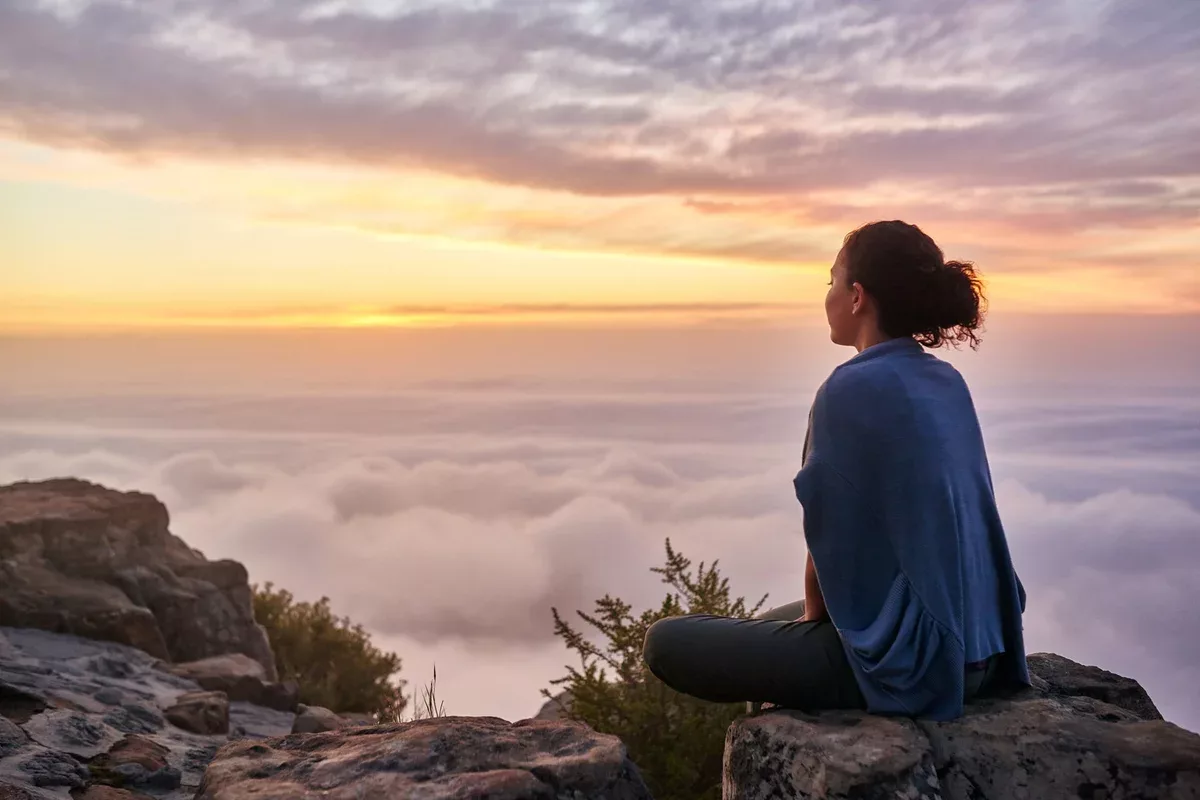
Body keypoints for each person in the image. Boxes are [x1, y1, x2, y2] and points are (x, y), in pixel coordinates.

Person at [641, 220, 1030, 721]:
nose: (826, 294)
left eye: (831, 280)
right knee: (763, 624)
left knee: (668, 642)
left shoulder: (849, 389)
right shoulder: (945, 380)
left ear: (857, 297)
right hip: (985, 646)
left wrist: (813, 627)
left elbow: (830, 542)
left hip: (923, 665)